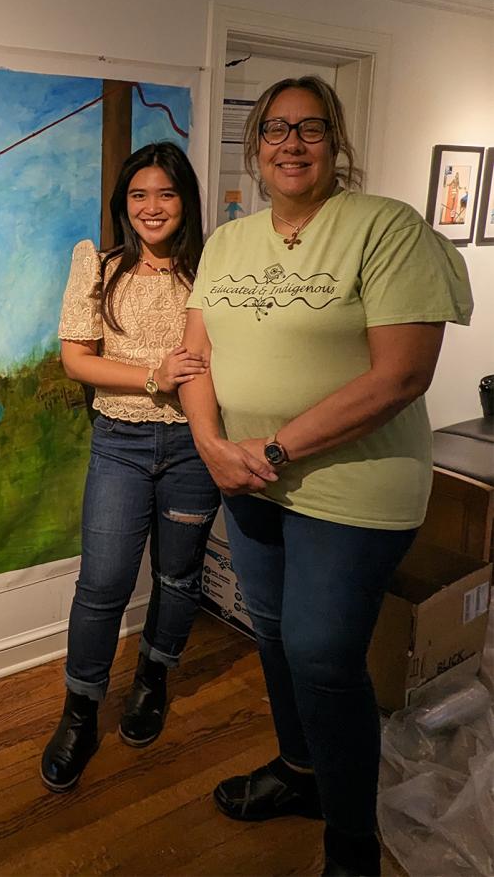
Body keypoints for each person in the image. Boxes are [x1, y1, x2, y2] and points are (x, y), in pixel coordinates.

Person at [179, 76, 473, 876]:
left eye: (311, 128)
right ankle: (301, 772)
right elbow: (192, 356)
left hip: (355, 486)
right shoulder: (228, 241)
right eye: (276, 129)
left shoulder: (386, 228)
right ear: (256, 145)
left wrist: (273, 450)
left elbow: (401, 376)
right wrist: (211, 442)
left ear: (337, 141)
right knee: (272, 634)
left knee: (319, 654)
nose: (292, 143)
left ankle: (350, 842)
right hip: (245, 480)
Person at [40, 142, 219, 792]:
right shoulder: (100, 266)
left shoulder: (212, 272)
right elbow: (76, 360)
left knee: (178, 576)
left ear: (185, 202)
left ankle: (152, 678)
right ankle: (80, 710)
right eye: (138, 195)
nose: (151, 207)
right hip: (119, 439)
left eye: (165, 194)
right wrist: (153, 373)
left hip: (193, 445)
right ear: (124, 204)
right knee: (103, 582)